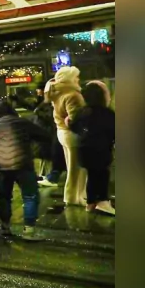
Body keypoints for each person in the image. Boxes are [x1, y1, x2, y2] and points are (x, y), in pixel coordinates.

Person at [0, 101, 51, 240]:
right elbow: (45, 135)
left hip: (2, 167)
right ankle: (29, 231)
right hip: (23, 165)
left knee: (4, 197)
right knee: (30, 196)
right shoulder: (23, 123)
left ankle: (5, 227)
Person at [70, 81, 116, 215]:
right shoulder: (106, 113)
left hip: (84, 149)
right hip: (101, 150)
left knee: (92, 175)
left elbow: (74, 126)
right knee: (102, 175)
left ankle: (90, 203)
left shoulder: (83, 111)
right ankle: (103, 201)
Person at [46, 66, 87, 206]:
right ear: (69, 78)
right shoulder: (72, 94)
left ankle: (71, 196)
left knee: (71, 167)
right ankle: (75, 197)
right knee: (77, 169)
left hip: (62, 132)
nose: (78, 79)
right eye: (76, 76)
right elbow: (75, 117)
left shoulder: (57, 92)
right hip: (72, 133)